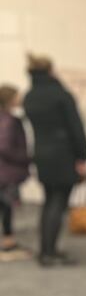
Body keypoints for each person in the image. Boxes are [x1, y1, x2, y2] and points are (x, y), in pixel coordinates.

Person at [23, 54, 86, 267]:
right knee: (59, 203)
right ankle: (49, 253)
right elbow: (76, 128)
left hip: (42, 154)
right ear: (51, 70)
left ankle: (46, 249)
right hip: (63, 154)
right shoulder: (61, 95)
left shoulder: (30, 96)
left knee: (49, 200)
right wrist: (82, 156)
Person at [0, 84, 31, 252]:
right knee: (6, 205)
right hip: (6, 172)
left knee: (5, 205)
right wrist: (26, 158)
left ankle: (8, 237)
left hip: (4, 171)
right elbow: (4, 147)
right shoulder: (9, 121)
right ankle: (8, 239)